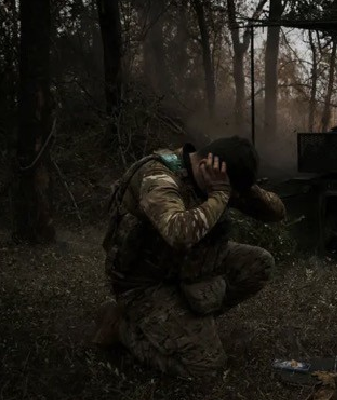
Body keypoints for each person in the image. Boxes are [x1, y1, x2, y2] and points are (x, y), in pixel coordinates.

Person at [94, 136, 286, 377]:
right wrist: (220, 195)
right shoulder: (157, 178)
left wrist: (243, 188)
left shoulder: (215, 178)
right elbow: (179, 233)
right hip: (144, 282)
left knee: (259, 263)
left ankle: (187, 322)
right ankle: (122, 326)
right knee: (205, 367)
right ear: (205, 166)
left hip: (187, 267)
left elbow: (277, 212)